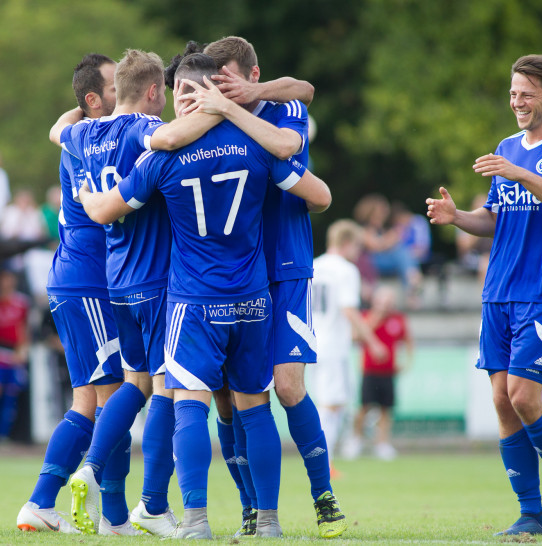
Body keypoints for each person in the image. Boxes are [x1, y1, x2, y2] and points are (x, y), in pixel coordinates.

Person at [79, 52, 331, 539]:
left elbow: (107, 211)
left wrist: (89, 197)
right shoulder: (254, 145)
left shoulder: (162, 157)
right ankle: (270, 524)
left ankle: (194, 522)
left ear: (188, 95)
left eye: (178, 93)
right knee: (255, 408)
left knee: (189, 405)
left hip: (194, 301)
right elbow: (319, 197)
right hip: (254, 299)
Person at [52, 48, 223, 537]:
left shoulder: (83, 132)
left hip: (117, 280)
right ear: (152, 93)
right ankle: (152, 503)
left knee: (135, 384)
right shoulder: (137, 127)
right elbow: (168, 135)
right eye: (164, 95)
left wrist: (79, 110)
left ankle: (90, 468)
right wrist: (220, 108)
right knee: (168, 387)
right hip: (157, 279)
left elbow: (55, 130)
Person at [185, 35, 345, 538]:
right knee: (231, 398)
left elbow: (299, 101)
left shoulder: (283, 107)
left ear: (253, 77)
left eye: (230, 81)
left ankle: (324, 496)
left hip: (288, 264)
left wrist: (240, 104)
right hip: (236, 279)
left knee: (288, 385)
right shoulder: (207, 123)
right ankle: (253, 510)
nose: (221, 91)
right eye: (216, 84)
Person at [426, 54, 542, 536]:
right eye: (514, 92)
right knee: (501, 400)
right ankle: (530, 514)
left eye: (527, 94)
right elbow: (496, 220)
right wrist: (458, 218)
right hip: (498, 292)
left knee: (523, 395)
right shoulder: (506, 147)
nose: (517, 101)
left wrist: (525, 176)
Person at [17, 53, 118, 535]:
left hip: (77, 279)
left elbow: (61, 124)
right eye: (117, 86)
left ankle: (41, 502)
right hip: (88, 282)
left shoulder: (78, 134)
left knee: (89, 400)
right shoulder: (96, 140)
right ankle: (116, 516)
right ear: (94, 99)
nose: (128, 93)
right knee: (113, 397)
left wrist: (71, 116)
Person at [311, 220, 386, 473]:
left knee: (333, 403)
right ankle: (323, 463)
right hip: (333, 345)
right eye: (357, 246)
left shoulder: (313, 265)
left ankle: (324, 459)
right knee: (330, 405)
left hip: (311, 342)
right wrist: (372, 341)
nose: (359, 252)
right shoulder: (346, 270)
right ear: (346, 243)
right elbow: (349, 310)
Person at [345, 286, 412, 461]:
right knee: (364, 407)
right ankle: (356, 439)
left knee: (386, 409)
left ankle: (382, 443)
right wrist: (377, 316)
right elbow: (356, 336)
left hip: (388, 372)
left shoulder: (398, 319)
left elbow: (407, 341)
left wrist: (406, 362)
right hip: (369, 370)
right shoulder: (367, 317)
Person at [0, 269, 30, 444]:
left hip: (13, 354)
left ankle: (3, 435)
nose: (5, 282)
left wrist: (22, 350)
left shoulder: (21, 303)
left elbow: (23, 329)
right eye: (2, 279)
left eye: (8, 278)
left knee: (11, 395)